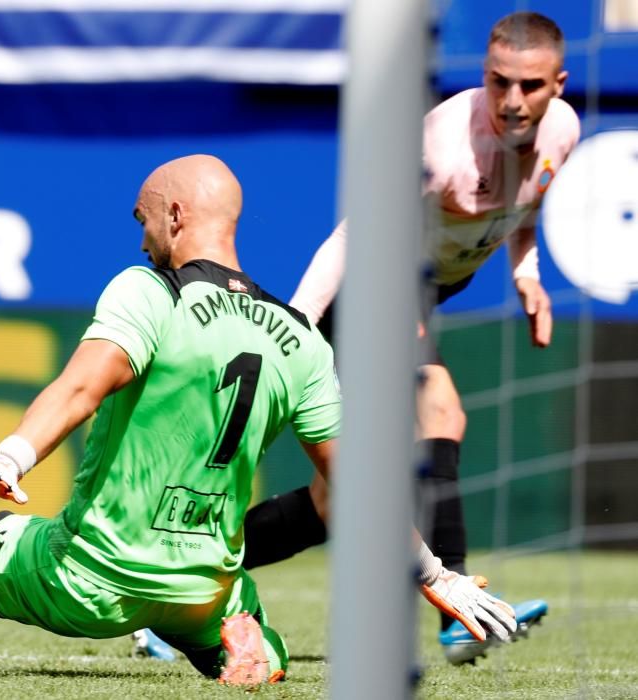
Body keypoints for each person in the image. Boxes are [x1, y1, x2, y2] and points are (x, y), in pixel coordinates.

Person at [0, 155, 515, 687]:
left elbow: (81, 387)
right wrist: (436, 576)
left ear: (171, 216)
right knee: (225, 602)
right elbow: (361, 486)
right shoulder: (300, 339)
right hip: (201, 581)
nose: (139, 233)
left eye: (141, 216)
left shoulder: (150, 291)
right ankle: (247, 642)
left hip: (88, 576)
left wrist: (14, 453)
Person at [227, 11, 580, 666]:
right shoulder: (445, 147)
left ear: (557, 83)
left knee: (337, 500)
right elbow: (356, 235)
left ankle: (177, 594)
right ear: (484, 75)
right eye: (498, 81)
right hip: (373, 289)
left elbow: (523, 209)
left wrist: (527, 275)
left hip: (421, 293)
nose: (511, 100)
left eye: (529, 85)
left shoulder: (564, 132)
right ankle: (458, 608)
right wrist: (297, 322)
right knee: (440, 409)